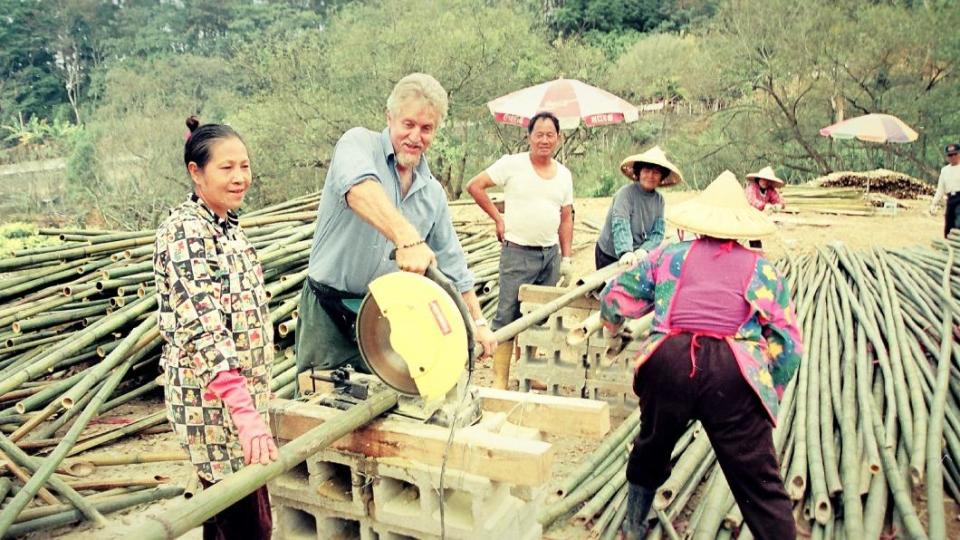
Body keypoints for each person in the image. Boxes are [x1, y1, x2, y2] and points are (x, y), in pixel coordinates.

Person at [600, 171, 803, 540]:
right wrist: (769, 387)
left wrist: (612, 328)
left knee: (652, 446)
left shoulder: (669, 255)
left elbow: (615, 298)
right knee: (758, 476)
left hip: (669, 362)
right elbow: (788, 343)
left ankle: (633, 527)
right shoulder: (761, 268)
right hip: (734, 372)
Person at [296, 73, 496, 379]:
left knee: (383, 408)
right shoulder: (357, 145)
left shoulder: (432, 193)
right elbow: (359, 190)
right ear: (390, 118)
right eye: (408, 124)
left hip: (383, 317)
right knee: (316, 404)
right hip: (327, 310)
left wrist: (478, 324)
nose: (416, 137)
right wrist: (407, 238)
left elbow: (454, 266)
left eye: (427, 128)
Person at [154, 116, 276, 539]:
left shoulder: (228, 228)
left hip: (242, 401)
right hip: (213, 406)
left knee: (231, 518)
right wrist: (244, 414)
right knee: (245, 521)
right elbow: (202, 324)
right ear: (196, 172)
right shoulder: (185, 231)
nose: (240, 177)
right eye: (226, 168)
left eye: (244, 165)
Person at [465, 111, 574, 389]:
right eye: (539, 134)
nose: (545, 140)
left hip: (549, 255)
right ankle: (500, 378)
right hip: (517, 253)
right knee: (507, 314)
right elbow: (475, 186)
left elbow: (566, 217)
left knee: (539, 314)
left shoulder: (564, 175)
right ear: (529, 137)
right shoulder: (512, 165)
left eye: (550, 135)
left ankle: (527, 370)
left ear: (558, 138)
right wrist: (498, 218)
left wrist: (567, 257)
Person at [595, 146, 683, 269]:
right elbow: (621, 224)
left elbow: (658, 232)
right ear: (639, 172)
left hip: (636, 253)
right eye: (646, 171)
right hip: (610, 253)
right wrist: (625, 251)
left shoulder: (659, 201)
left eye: (656, 173)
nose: (650, 176)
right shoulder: (625, 194)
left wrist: (645, 249)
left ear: (661, 177)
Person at [929, 143, 960, 238]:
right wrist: (933, 203)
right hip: (951, 199)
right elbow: (940, 189)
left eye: (955, 154)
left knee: (958, 223)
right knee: (949, 226)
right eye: (950, 155)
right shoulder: (945, 171)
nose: (953, 157)